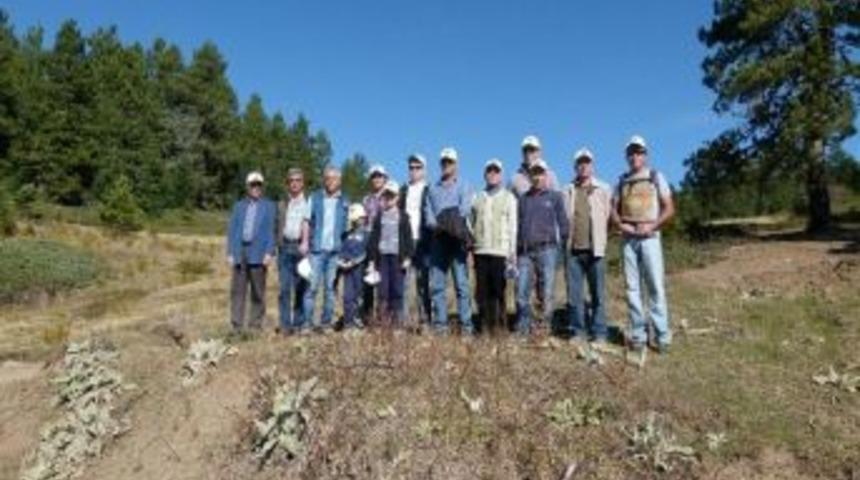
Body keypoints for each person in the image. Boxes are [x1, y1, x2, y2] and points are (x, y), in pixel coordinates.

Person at [611, 135, 676, 354]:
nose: (634, 156)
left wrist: (653, 226)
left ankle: (662, 336)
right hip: (629, 239)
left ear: (645, 155)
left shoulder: (656, 177)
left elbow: (669, 208)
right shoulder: (621, 181)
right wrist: (621, 224)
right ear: (626, 156)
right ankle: (638, 335)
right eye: (631, 152)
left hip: (650, 238)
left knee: (655, 287)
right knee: (632, 289)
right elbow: (613, 209)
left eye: (638, 152)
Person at [424, 147, 475, 335]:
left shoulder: (464, 185)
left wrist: (445, 219)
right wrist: (441, 223)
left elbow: (464, 210)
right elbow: (428, 215)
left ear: (456, 164)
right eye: (444, 161)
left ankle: (466, 327)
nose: (446, 164)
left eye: (450, 161)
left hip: (457, 241)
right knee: (437, 285)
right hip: (438, 241)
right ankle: (440, 327)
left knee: (461, 285)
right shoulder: (432, 188)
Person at [515, 160, 570, 336]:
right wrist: (515, 249)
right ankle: (524, 326)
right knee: (522, 290)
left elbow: (563, 224)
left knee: (547, 291)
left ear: (546, 175)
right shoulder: (523, 199)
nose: (537, 177)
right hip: (524, 251)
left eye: (540, 173)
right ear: (530, 176)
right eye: (534, 173)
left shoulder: (555, 196)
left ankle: (545, 326)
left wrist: (563, 249)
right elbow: (517, 224)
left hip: (548, 249)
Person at [563, 148, 612, 343]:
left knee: (598, 294)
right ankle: (578, 331)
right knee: (575, 295)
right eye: (580, 163)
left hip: (596, 250)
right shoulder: (567, 190)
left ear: (592, 165)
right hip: (573, 250)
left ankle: (600, 332)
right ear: (575, 166)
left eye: (587, 162)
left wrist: (601, 238)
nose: (584, 166)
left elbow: (608, 216)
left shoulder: (604, 188)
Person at [471, 159, 518, 335]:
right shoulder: (477, 197)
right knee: (481, 292)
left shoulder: (509, 197)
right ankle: (484, 326)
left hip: (501, 252)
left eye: (496, 171)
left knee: (498, 291)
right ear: (484, 175)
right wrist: (472, 247)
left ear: (501, 175)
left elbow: (513, 226)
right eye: (489, 171)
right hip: (480, 251)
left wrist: (512, 252)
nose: (492, 174)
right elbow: (470, 223)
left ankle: (499, 326)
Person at [226, 171, 276, 333]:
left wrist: (269, 252)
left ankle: (255, 325)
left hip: (259, 253)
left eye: (259, 185)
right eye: (253, 185)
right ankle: (237, 325)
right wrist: (230, 253)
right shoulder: (239, 206)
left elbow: (271, 231)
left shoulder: (269, 206)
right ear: (248, 187)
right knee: (238, 291)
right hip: (241, 252)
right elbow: (232, 230)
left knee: (258, 291)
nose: (256, 188)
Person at [303, 166, 349, 331]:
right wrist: (304, 242)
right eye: (327, 178)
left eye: (334, 178)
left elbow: (348, 228)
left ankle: (326, 324)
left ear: (339, 180)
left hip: (335, 252)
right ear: (324, 179)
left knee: (330, 290)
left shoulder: (345, 201)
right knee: (312, 288)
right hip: (316, 250)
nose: (330, 181)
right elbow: (307, 221)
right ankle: (307, 324)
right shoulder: (315, 197)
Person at [368, 181, 415, 328]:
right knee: (383, 292)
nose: (389, 198)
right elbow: (373, 239)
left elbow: (408, 238)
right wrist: (371, 261)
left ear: (397, 197)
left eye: (392, 195)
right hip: (382, 258)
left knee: (397, 291)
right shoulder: (379, 216)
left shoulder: (404, 216)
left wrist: (407, 257)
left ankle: (397, 324)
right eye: (386, 195)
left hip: (398, 258)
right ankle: (383, 322)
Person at [275, 168, 310, 335]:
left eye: (298, 180)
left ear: (303, 183)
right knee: (284, 289)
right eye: (291, 181)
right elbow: (276, 225)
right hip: (284, 248)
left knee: (300, 288)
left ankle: (298, 324)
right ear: (287, 184)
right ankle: (285, 325)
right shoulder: (282, 203)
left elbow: (313, 225)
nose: (294, 183)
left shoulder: (309, 203)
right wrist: (277, 243)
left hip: (301, 249)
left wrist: (308, 244)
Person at [398, 153, 431, 327]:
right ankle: (402, 322)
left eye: (418, 167)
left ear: (424, 170)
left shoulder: (429, 189)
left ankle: (425, 321)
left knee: (423, 282)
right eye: (411, 167)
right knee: (404, 283)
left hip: (424, 242)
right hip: (405, 242)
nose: (414, 170)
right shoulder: (403, 190)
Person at [361, 164, 388, 323]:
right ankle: (368, 318)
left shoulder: (390, 197)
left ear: (385, 178)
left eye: (380, 176)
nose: (377, 179)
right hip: (368, 242)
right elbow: (362, 222)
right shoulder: (366, 199)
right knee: (368, 281)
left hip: (385, 243)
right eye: (374, 176)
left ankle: (383, 318)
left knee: (383, 283)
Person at [338, 203, 369, 330]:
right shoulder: (346, 234)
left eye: (360, 218)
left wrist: (354, 262)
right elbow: (342, 250)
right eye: (356, 219)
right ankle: (348, 322)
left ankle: (358, 320)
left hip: (359, 270)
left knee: (359, 296)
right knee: (347, 296)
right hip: (347, 271)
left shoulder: (367, 234)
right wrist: (340, 262)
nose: (359, 221)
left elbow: (366, 252)